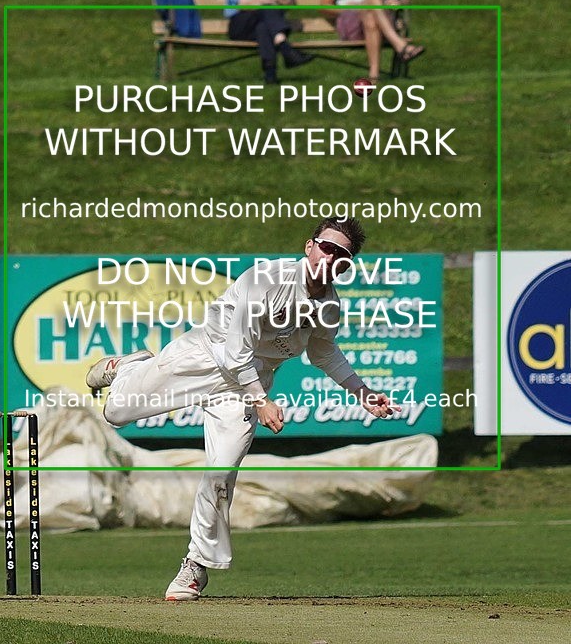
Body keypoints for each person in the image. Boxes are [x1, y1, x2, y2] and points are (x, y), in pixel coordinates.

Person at [86, 217, 400, 601]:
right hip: (205, 357)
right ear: (310, 246)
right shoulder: (267, 279)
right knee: (116, 412)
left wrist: (362, 391)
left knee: (221, 475)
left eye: (341, 255)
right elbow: (236, 349)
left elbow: (324, 353)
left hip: (245, 388)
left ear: (346, 266)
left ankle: (195, 566)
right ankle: (129, 366)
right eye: (326, 247)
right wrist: (262, 401)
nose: (330, 257)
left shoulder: (329, 306)